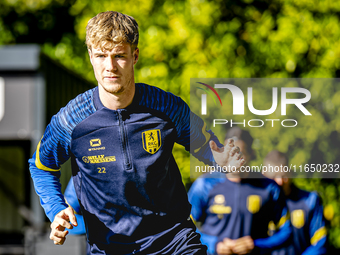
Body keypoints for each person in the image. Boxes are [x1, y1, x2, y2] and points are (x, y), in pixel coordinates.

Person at [28, 11, 245, 255]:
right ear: (90, 56)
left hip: (174, 241)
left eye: (119, 56)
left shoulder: (166, 107)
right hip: (110, 247)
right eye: (101, 56)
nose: (109, 67)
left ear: (135, 55)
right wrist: (56, 209)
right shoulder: (71, 121)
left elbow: (206, 146)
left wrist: (220, 159)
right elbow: (41, 166)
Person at [188, 127, 292, 255]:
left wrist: (256, 245)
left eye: (239, 153)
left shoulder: (269, 188)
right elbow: (183, 227)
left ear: (251, 153)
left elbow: (286, 231)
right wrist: (213, 245)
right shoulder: (204, 184)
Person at [263, 150, 327, 255]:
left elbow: (320, 244)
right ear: (264, 174)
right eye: (274, 176)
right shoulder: (260, 203)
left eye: (284, 176)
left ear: (291, 172)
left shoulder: (310, 200)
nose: (280, 181)